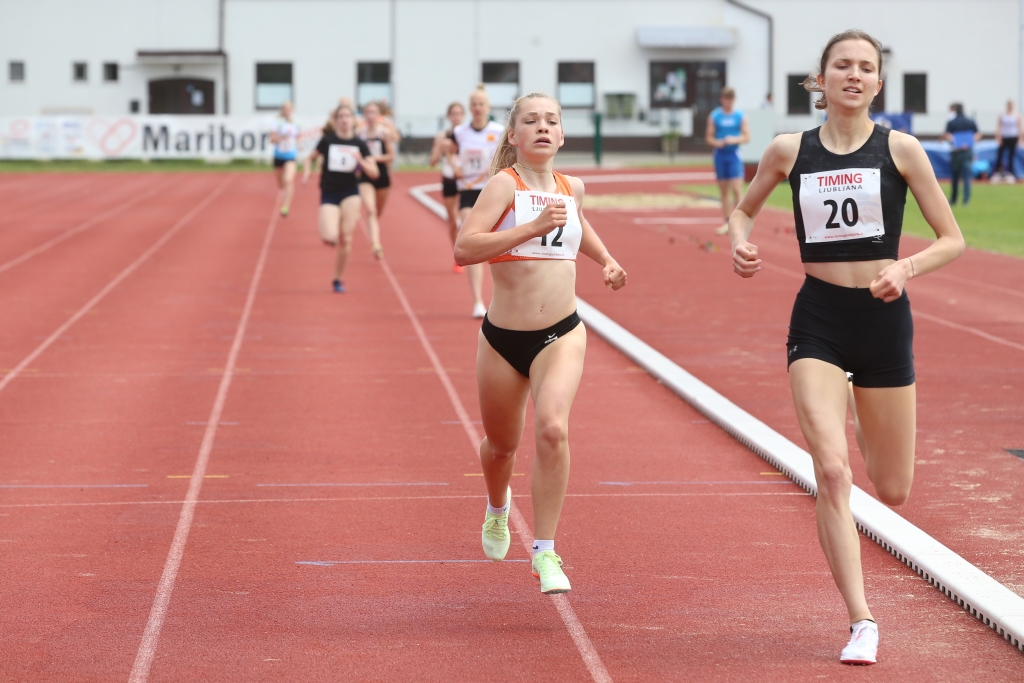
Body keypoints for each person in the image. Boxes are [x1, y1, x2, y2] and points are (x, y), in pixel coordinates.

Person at [727, 30, 964, 665]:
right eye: (842, 65)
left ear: (877, 83)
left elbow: (952, 239)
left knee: (892, 487)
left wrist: (906, 268)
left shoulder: (901, 149)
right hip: (820, 320)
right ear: (822, 79)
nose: (854, 75)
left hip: (884, 322)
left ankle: (857, 409)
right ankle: (862, 621)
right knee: (832, 472)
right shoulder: (789, 150)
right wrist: (739, 242)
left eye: (865, 67)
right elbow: (743, 212)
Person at [453, 92, 626, 594]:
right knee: (501, 448)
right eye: (531, 121)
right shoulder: (502, 186)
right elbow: (464, 248)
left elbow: (577, 224)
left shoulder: (573, 187)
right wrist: (529, 227)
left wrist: (606, 260)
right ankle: (497, 508)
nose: (543, 127)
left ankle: (545, 551)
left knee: (552, 429)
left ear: (563, 134)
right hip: (503, 340)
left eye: (552, 120)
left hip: (561, 332)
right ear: (513, 135)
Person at [301, 104, 380, 293]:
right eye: (341, 116)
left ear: (353, 120)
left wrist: (360, 161)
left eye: (347, 116)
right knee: (328, 236)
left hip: (350, 192)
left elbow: (374, 172)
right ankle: (331, 238)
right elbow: (309, 158)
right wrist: (306, 173)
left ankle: (338, 278)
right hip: (329, 192)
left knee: (346, 238)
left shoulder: (359, 144)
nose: (344, 119)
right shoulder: (327, 140)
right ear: (336, 120)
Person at [453, 86, 505, 318]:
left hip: (493, 192)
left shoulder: (499, 131)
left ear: (488, 107)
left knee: (501, 245)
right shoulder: (459, 132)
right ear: (469, 107)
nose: (477, 108)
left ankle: (502, 300)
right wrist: (453, 165)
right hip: (469, 192)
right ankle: (477, 301)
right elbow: (449, 153)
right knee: (472, 240)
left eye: (481, 104)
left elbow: (507, 158)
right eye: (474, 104)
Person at [706, 87, 751, 235]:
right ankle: (727, 221)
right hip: (720, 154)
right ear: (722, 99)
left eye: (730, 99)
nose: (728, 102)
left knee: (737, 189)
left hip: (734, 155)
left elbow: (746, 136)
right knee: (724, 190)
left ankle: (740, 222)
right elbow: (709, 137)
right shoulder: (715, 116)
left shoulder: (740, 116)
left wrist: (734, 139)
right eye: (726, 99)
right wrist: (717, 142)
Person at [429, 102, 466, 272]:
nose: (456, 117)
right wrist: (442, 149)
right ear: (449, 116)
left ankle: (467, 252)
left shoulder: (467, 134)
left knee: (466, 218)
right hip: (449, 179)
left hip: (465, 180)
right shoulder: (442, 136)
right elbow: (432, 162)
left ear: (463, 116)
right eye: (454, 114)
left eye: (459, 114)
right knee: (452, 220)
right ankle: (457, 254)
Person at [357, 101, 394, 258]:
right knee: (370, 210)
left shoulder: (384, 133)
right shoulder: (360, 134)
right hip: (365, 176)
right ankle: (376, 245)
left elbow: (391, 156)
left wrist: (374, 158)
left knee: (377, 212)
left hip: (382, 176)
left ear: (378, 115)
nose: (370, 115)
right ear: (364, 114)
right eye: (368, 112)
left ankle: (372, 229)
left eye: (373, 112)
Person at [943, 103, 981, 205]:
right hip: (967, 151)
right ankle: (966, 199)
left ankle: (954, 199)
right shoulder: (970, 121)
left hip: (956, 152)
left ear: (955, 110)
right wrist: (969, 142)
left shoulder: (951, 122)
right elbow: (978, 134)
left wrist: (957, 142)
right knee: (967, 177)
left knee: (955, 177)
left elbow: (947, 135)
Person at [269, 101, 299, 217]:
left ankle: (286, 206)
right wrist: (282, 137)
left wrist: (299, 144)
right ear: (282, 110)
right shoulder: (277, 123)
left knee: (288, 180)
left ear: (292, 110)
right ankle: (285, 195)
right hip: (278, 156)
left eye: (289, 109)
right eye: (285, 109)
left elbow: (298, 137)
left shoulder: (296, 123)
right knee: (281, 184)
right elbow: (272, 139)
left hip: (291, 156)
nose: (287, 111)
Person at [993, 100, 1022, 184]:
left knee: (1011, 156)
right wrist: (998, 137)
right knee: (1000, 155)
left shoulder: (1017, 115)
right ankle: (997, 173)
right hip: (1004, 137)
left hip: (1013, 137)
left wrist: (1020, 139)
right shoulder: (1002, 115)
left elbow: (1020, 127)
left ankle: (1010, 174)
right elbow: (999, 126)